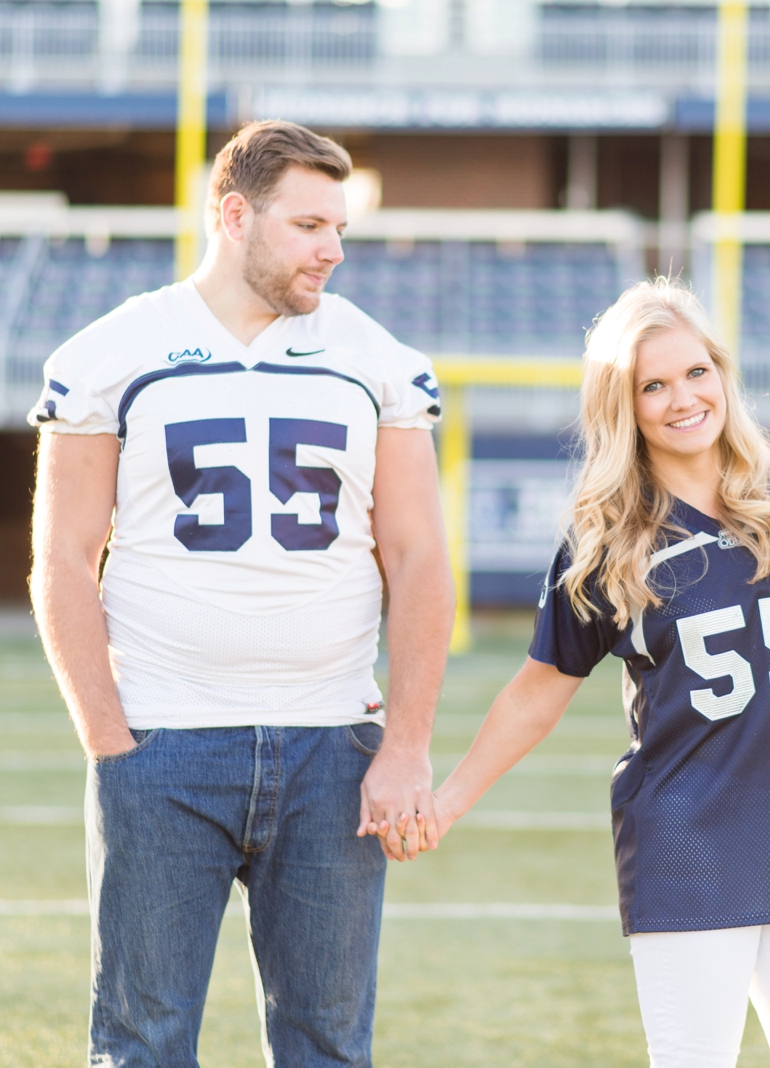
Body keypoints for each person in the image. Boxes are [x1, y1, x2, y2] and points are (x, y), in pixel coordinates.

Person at [28, 120, 453, 1067]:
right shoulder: (112, 352)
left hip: (332, 748)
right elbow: (61, 557)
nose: (332, 249)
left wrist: (407, 746)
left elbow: (420, 556)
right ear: (234, 215)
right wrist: (109, 742)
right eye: (308, 225)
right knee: (143, 1042)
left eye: (339, 227)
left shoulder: (375, 357)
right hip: (163, 744)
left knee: (328, 1046)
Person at [430, 279, 770, 1068]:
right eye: (654, 385)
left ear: (721, 374)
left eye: (696, 373)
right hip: (687, 847)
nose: (683, 399)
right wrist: (446, 803)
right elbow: (537, 694)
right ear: (625, 406)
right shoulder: (610, 541)